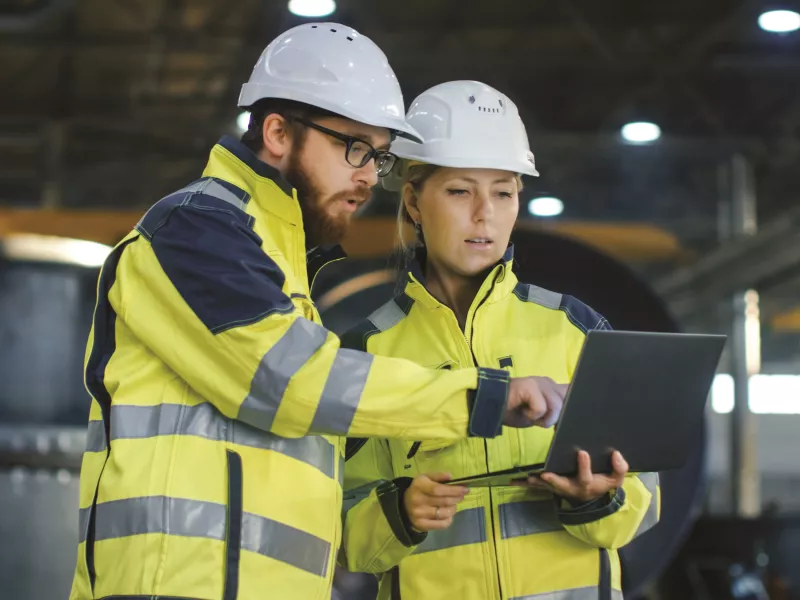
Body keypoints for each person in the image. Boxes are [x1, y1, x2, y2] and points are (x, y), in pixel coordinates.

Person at [68, 26, 567, 600]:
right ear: (278, 132)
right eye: (353, 147)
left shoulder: (280, 266)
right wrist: (482, 397)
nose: (366, 176)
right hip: (179, 585)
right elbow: (289, 379)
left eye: (377, 157)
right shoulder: (195, 230)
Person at [340, 81, 661, 600]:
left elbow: (640, 505)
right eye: (460, 191)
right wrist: (398, 513)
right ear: (414, 203)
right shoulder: (366, 353)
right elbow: (340, 529)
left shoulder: (577, 329)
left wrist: (595, 498)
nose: (484, 213)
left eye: (503, 192)